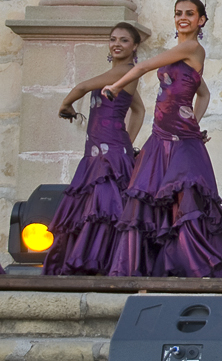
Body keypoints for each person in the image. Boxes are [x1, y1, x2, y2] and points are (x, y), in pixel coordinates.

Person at [105, 0, 222, 278]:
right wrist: (195, 119)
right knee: (149, 202)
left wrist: (115, 86)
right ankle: (147, 270)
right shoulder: (179, 52)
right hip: (160, 140)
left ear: (201, 20)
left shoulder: (191, 47)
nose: (183, 18)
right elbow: (203, 93)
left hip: (181, 141)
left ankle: (190, 269)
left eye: (190, 14)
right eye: (178, 13)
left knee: (185, 203)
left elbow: (142, 67)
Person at [44, 23, 148, 275]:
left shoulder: (126, 70)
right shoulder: (123, 75)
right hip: (106, 149)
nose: (116, 44)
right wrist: (126, 143)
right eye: (113, 39)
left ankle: (97, 263)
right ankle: (96, 261)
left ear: (134, 46)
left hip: (106, 153)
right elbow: (139, 109)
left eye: (124, 40)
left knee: (103, 206)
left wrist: (65, 106)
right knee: (97, 206)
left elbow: (81, 87)